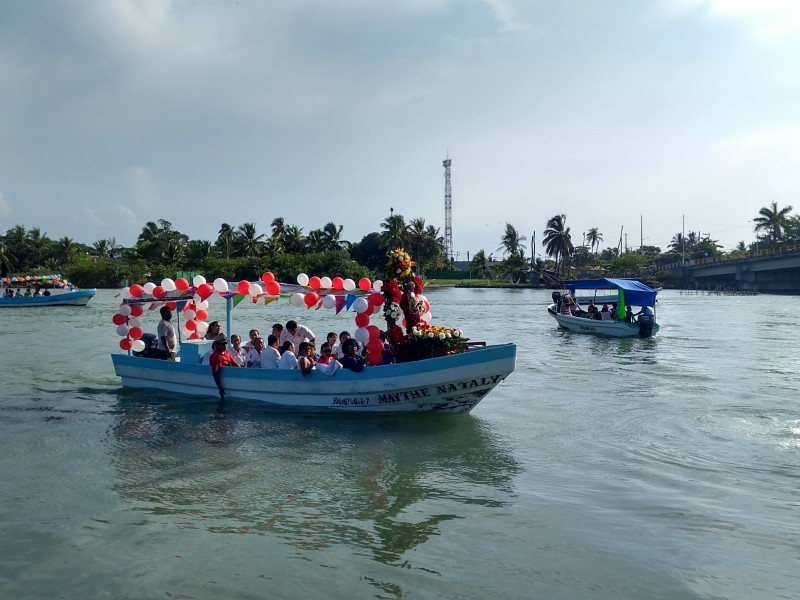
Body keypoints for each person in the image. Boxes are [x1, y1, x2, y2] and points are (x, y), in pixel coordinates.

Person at [209, 333, 239, 400]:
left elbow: (234, 363)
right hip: (221, 382)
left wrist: (242, 371)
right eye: (222, 344)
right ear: (217, 345)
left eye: (226, 344)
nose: (225, 346)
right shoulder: (215, 357)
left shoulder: (227, 353)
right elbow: (215, 374)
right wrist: (220, 388)